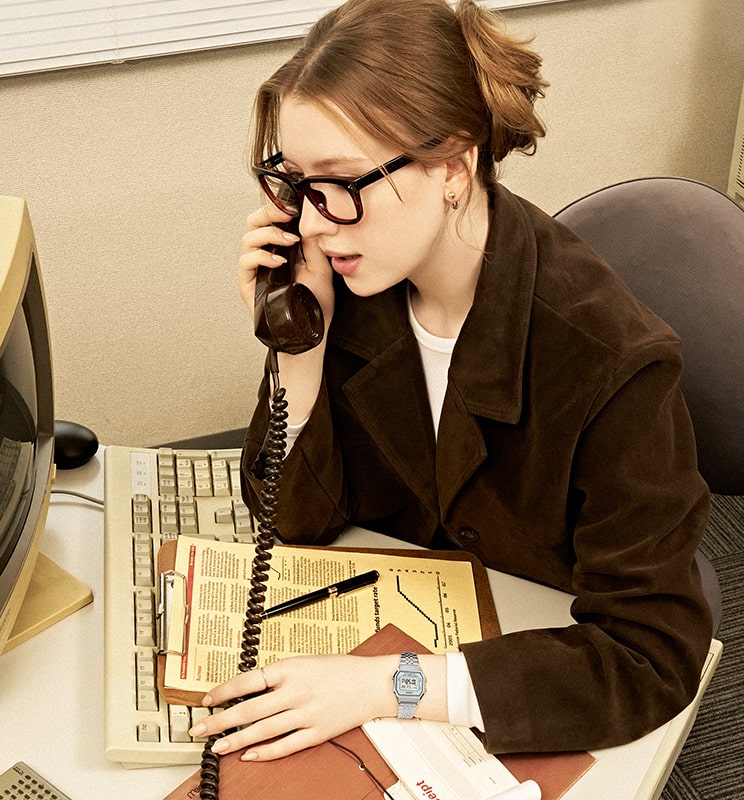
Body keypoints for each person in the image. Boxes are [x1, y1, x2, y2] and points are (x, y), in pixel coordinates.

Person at [188, 0, 713, 761]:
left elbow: (651, 657)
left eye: (337, 183)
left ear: (453, 168)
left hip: (533, 662)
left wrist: (386, 685)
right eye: (293, 184)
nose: (307, 224)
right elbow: (295, 523)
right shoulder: (354, 288)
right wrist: (298, 347)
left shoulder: (610, 359)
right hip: (408, 615)